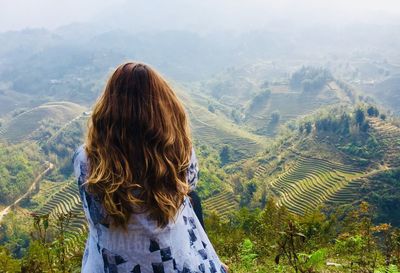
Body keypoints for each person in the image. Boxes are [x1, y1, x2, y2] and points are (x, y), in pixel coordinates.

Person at [73, 62, 228, 273]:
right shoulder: (180, 151)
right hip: (174, 264)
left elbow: (92, 207)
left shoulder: (86, 159)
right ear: (163, 106)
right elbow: (189, 187)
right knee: (192, 199)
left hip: (109, 266)